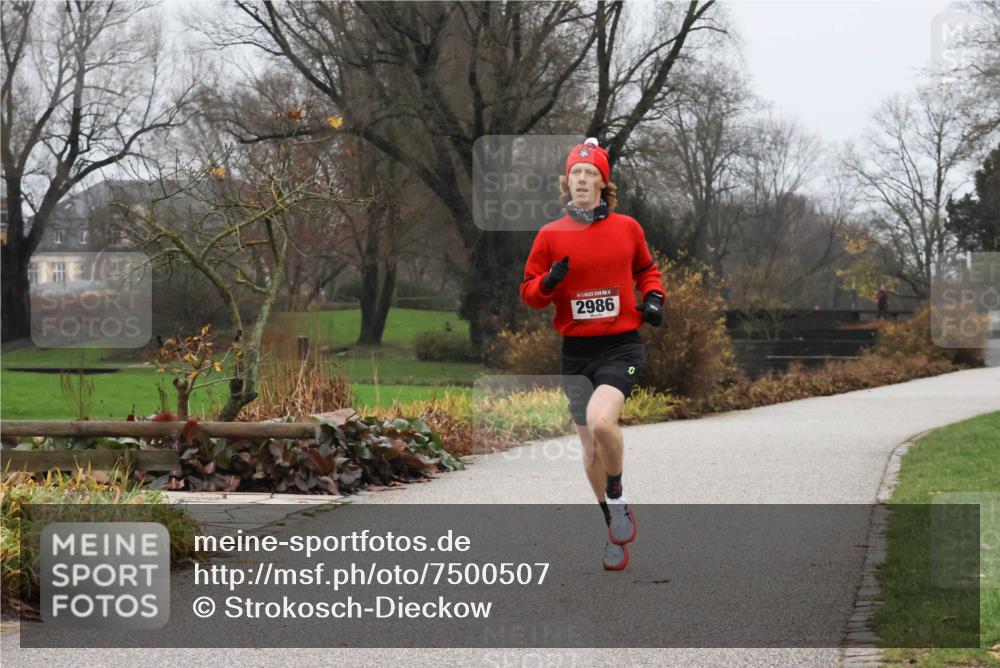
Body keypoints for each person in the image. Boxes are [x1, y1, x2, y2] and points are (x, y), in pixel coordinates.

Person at [519, 137, 666, 571]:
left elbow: (646, 269)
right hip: (576, 352)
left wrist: (653, 298)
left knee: (604, 422)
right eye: (576, 174)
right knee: (589, 452)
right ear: (567, 183)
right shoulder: (550, 235)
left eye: (591, 174)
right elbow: (529, 293)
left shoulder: (627, 228)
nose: (582, 180)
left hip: (621, 346)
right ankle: (613, 528)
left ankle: (617, 496)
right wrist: (549, 282)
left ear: (604, 183)